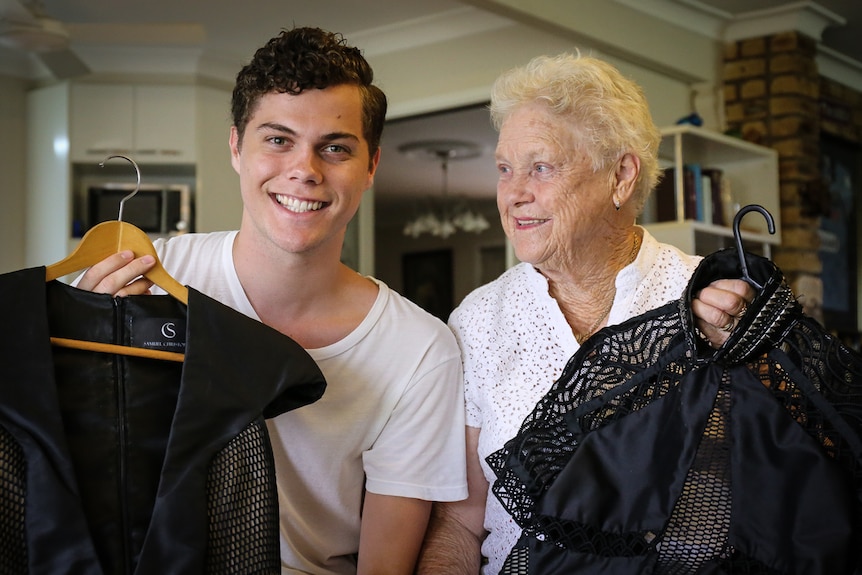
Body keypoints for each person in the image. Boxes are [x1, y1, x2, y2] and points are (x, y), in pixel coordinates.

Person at [75, 27, 467, 574]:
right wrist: (83, 354)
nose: (305, 170)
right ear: (237, 147)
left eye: (335, 147)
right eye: (278, 139)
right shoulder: (143, 280)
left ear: (371, 166)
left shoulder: (421, 350)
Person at [416, 52, 755, 574]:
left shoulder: (714, 299)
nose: (514, 194)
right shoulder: (479, 319)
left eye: (541, 167)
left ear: (620, 175)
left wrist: (748, 357)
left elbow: (777, 484)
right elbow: (462, 521)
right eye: (505, 169)